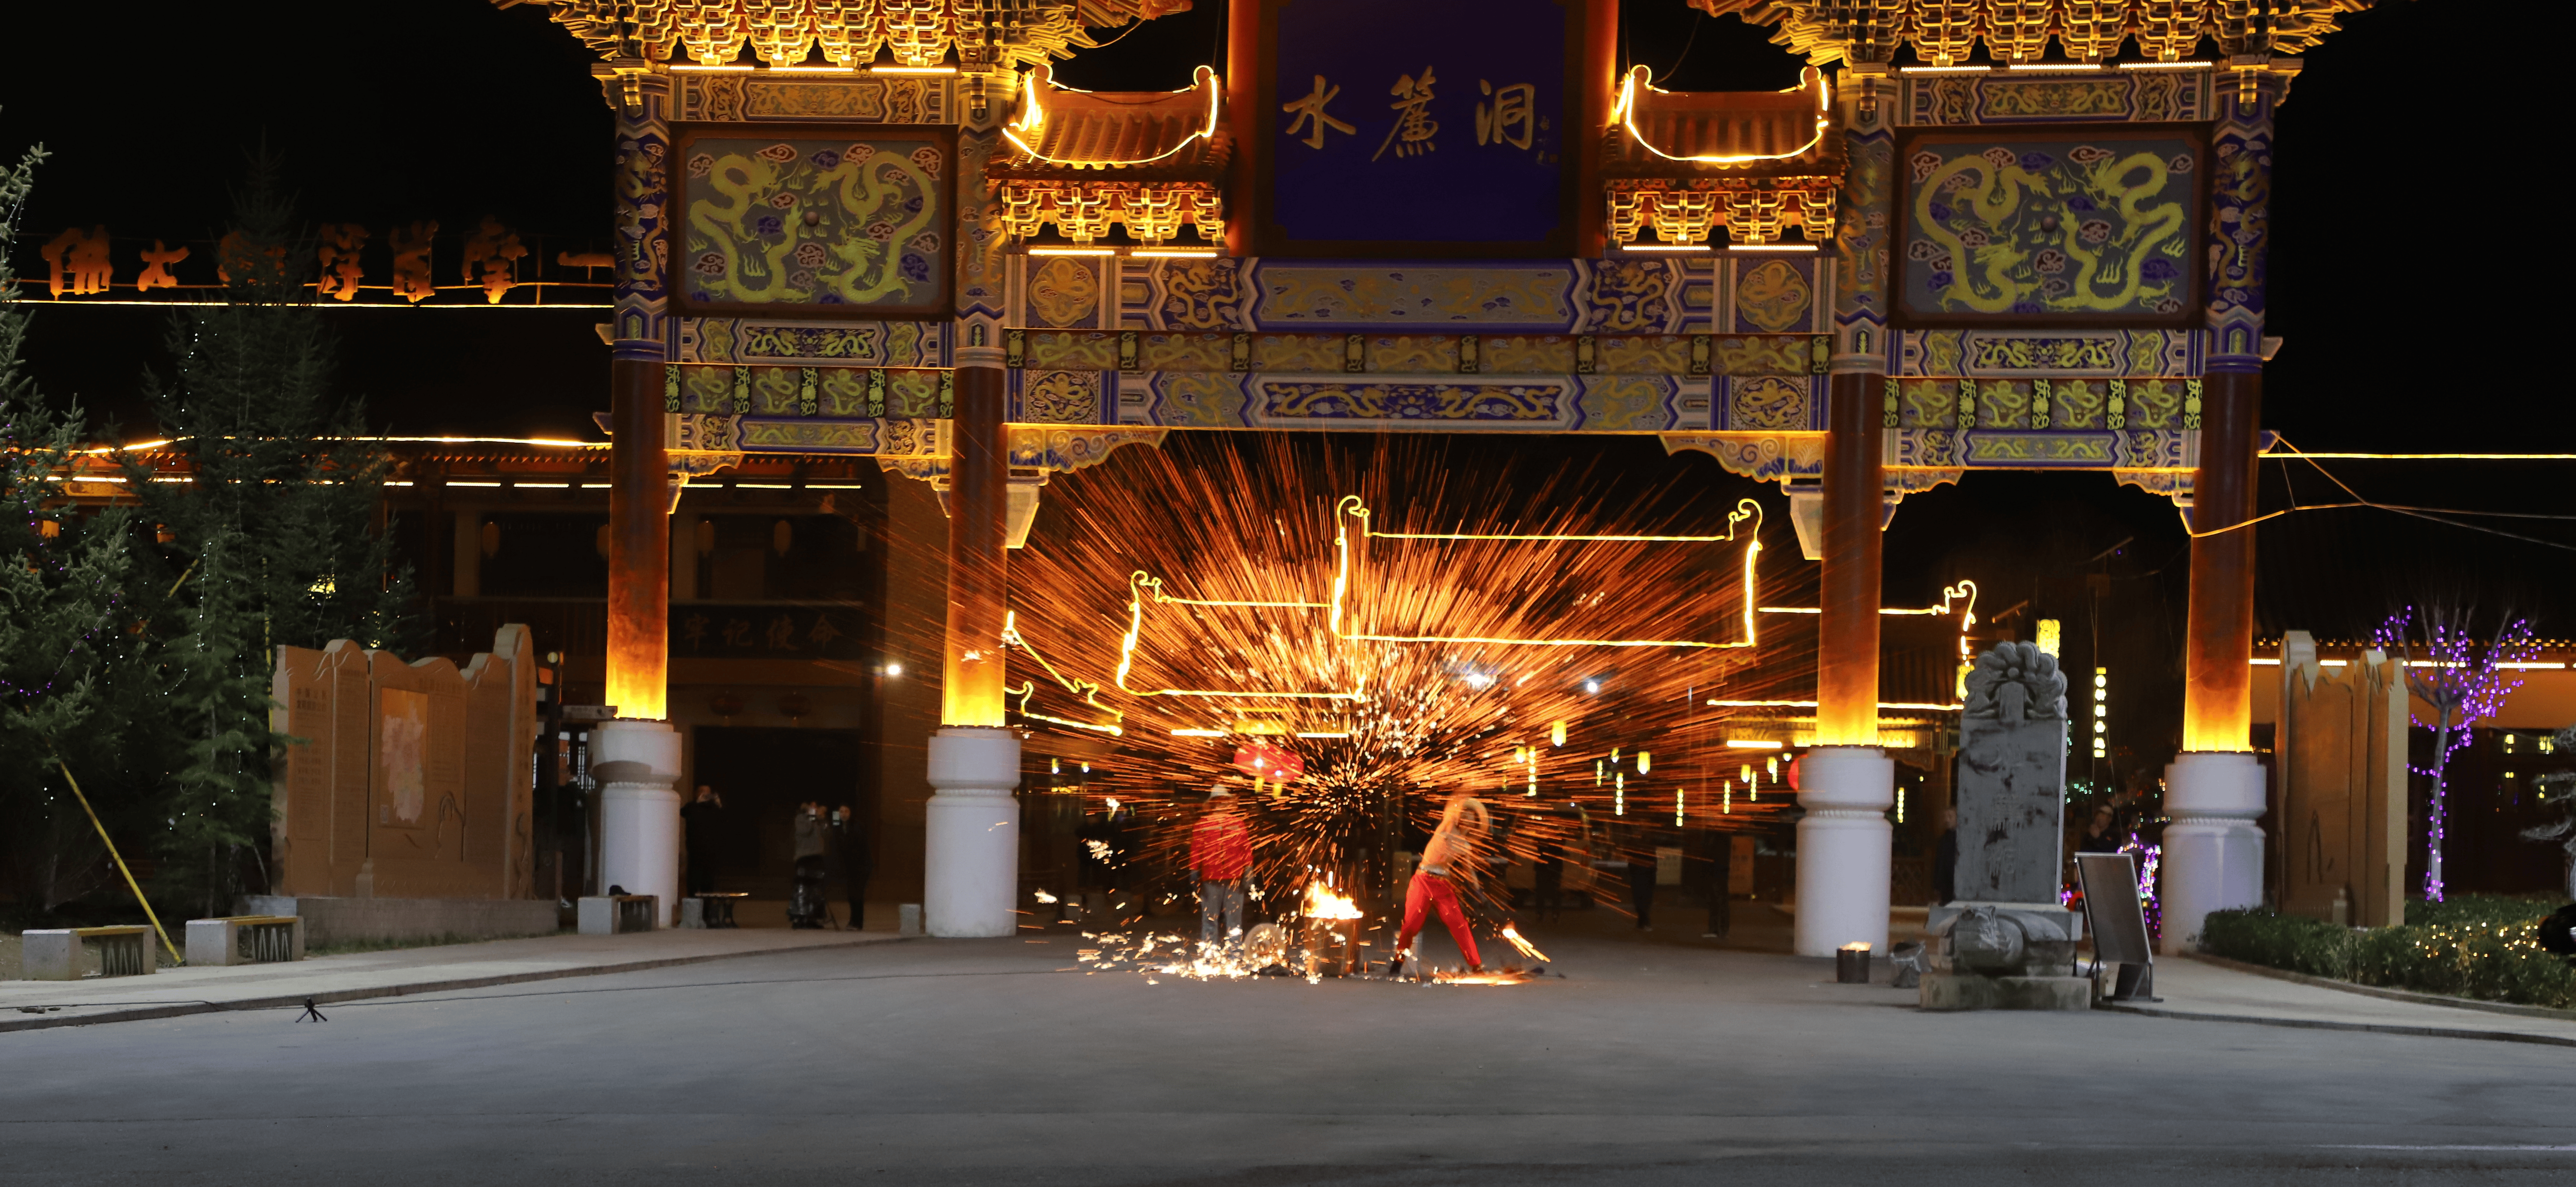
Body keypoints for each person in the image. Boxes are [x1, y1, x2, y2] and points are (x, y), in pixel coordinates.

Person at [1391, 792, 1488, 975]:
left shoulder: (1465, 846)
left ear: (1474, 824)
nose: (1465, 818)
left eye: (1470, 817)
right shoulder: (1448, 828)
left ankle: (1476, 965)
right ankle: (1398, 962)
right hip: (1422, 881)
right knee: (1411, 925)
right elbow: (1452, 809)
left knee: (1460, 924)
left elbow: (1470, 871)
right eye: (1464, 815)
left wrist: (1478, 891)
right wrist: (1466, 795)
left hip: (1443, 886)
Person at [1190, 785, 1252, 948]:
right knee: (1225, 921)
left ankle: (1225, 955)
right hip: (1218, 878)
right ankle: (1225, 955)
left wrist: (1249, 870)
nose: (1221, 804)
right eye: (1219, 801)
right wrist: (1194, 870)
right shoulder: (1206, 824)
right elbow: (1197, 850)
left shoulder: (1235, 824)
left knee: (1225, 921)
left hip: (1228, 878)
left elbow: (1246, 849)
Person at [831, 803, 873, 929]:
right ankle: (853, 921)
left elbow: (859, 847)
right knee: (851, 895)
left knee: (858, 894)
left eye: (846, 812)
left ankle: (858, 922)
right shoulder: (838, 828)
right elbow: (836, 842)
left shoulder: (857, 827)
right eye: (841, 812)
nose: (844, 814)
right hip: (849, 867)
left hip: (860, 867)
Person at [790, 801, 829, 928]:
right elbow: (805, 831)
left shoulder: (819, 820)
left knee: (816, 889)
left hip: (817, 857)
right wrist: (812, 818)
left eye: (816, 807)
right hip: (804, 857)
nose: (814, 809)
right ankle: (801, 916)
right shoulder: (800, 819)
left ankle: (813, 918)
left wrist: (822, 819)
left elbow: (827, 833)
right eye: (811, 807)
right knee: (803, 889)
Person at [680, 785, 723, 896]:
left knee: (709, 883)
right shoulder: (692, 807)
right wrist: (698, 802)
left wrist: (717, 803)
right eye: (702, 792)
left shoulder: (715, 807)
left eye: (707, 793)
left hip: (711, 851)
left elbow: (723, 818)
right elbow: (683, 812)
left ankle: (707, 910)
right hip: (695, 851)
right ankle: (693, 908)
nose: (704, 795)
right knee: (693, 882)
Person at [1625, 824, 1660, 931]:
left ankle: (1643, 922)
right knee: (1643, 900)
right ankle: (1643, 922)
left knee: (1640, 899)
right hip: (1643, 873)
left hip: (1641, 873)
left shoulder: (1639, 843)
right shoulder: (1644, 843)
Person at [1932, 807, 1959, 906]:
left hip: (1956, 883)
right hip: (1945, 885)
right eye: (1945, 817)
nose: (1947, 820)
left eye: (1950, 817)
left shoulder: (1960, 840)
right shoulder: (1943, 840)